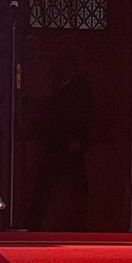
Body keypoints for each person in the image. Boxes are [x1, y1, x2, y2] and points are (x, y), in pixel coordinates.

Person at [29, 52, 91, 230]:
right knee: (53, 183)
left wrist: (76, 138)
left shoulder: (77, 88)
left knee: (69, 185)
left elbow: (78, 116)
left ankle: (75, 222)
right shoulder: (65, 87)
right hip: (59, 142)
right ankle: (39, 221)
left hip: (66, 143)